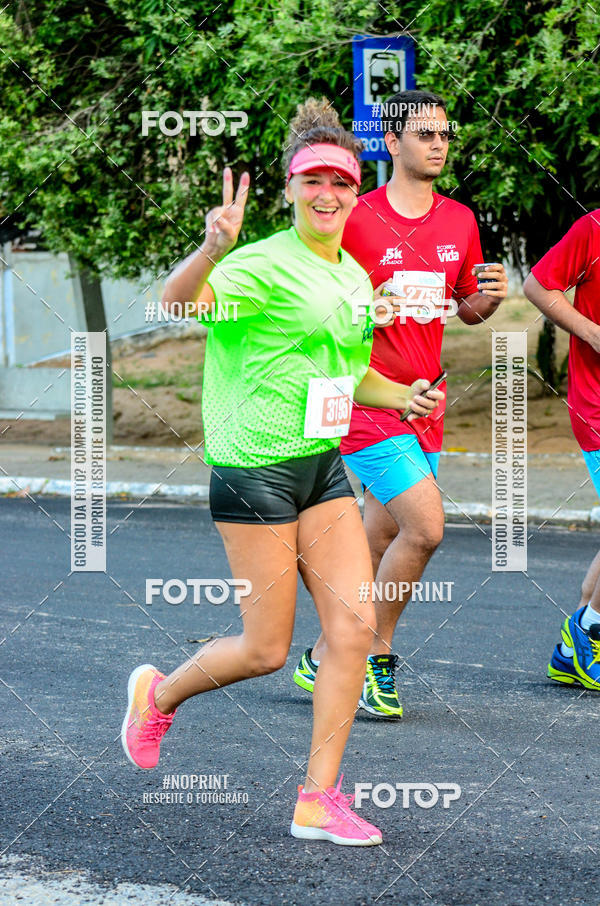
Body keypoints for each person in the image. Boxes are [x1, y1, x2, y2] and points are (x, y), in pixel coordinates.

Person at [120, 98, 443, 845]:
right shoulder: (259, 264)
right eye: (312, 181)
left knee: (354, 628)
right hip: (253, 471)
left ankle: (316, 799)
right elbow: (174, 309)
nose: (327, 193)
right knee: (266, 650)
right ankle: (157, 697)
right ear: (291, 190)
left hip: (320, 467)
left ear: (355, 189)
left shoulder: (357, 280)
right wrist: (209, 249)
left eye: (339, 180)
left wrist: (405, 395)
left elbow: (351, 374)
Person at [294, 89, 508, 718]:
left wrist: (487, 303)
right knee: (426, 527)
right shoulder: (353, 217)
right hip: (362, 397)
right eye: (423, 133)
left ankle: (323, 654)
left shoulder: (460, 220)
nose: (438, 143)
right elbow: (312, 308)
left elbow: (461, 309)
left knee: (384, 532)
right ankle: (370, 657)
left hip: (425, 401)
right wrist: (365, 305)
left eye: (444, 134)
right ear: (391, 143)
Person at [523, 211, 600, 690]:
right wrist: (591, 332)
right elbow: (537, 285)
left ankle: (573, 646)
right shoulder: (594, 228)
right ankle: (589, 628)